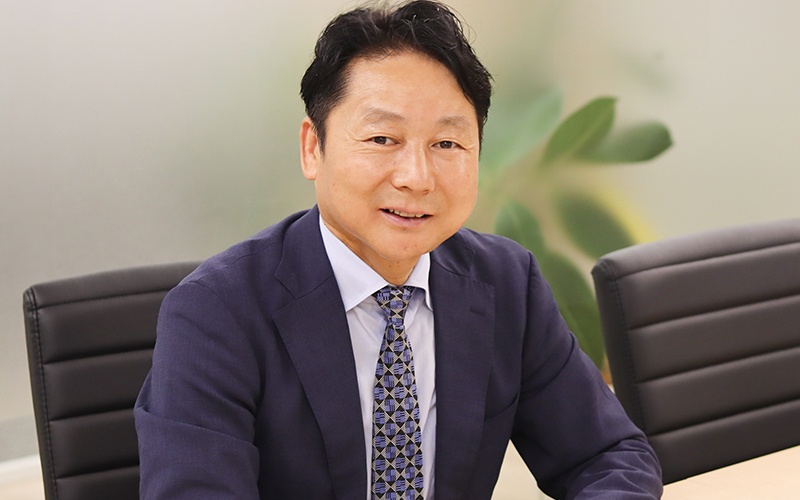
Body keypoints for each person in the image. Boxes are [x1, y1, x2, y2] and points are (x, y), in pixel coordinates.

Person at [134, 1, 663, 499]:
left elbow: (609, 455)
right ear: (313, 148)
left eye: (447, 143)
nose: (416, 177)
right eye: (382, 139)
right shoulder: (215, 312)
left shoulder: (506, 281)